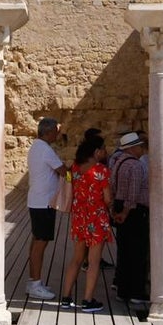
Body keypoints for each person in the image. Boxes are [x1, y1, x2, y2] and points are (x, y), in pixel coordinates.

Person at [59, 135, 113, 312]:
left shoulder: (75, 168)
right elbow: (107, 198)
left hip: (79, 217)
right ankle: (87, 300)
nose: (105, 152)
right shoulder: (101, 170)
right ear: (96, 152)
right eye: (103, 149)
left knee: (76, 259)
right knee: (94, 261)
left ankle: (65, 297)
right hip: (96, 218)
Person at [26, 117, 65, 300]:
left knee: (37, 242)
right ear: (48, 132)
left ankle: (34, 281)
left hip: (38, 201)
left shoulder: (37, 147)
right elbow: (63, 170)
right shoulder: (45, 149)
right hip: (44, 203)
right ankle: (35, 283)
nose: (58, 135)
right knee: (40, 244)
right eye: (56, 132)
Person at [110, 132, 149, 307]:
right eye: (140, 146)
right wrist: (126, 212)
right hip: (134, 212)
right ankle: (137, 292)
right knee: (138, 253)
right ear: (133, 148)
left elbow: (112, 187)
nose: (142, 149)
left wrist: (115, 210)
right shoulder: (136, 166)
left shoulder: (118, 163)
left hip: (119, 207)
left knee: (124, 251)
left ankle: (122, 290)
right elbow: (133, 194)